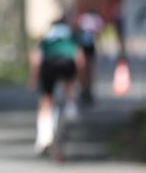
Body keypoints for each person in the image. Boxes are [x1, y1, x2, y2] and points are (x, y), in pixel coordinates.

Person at [28, 14, 84, 154]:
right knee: (68, 87)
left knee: (46, 101)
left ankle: (43, 138)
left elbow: (36, 58)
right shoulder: (71, 36)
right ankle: (71, 108)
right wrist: (80, 79)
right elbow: (80, 58)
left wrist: (34, 78)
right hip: (68, 64)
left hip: (49, 64)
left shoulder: (47, 36)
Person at [76, 10, 105, 105]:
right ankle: (85, 89)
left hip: (87, 47)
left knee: (86, 69)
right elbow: (98, 33)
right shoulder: (89, 18)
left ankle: (86, 89)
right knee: (87, 69)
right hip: (86, 47)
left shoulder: (87, 18)